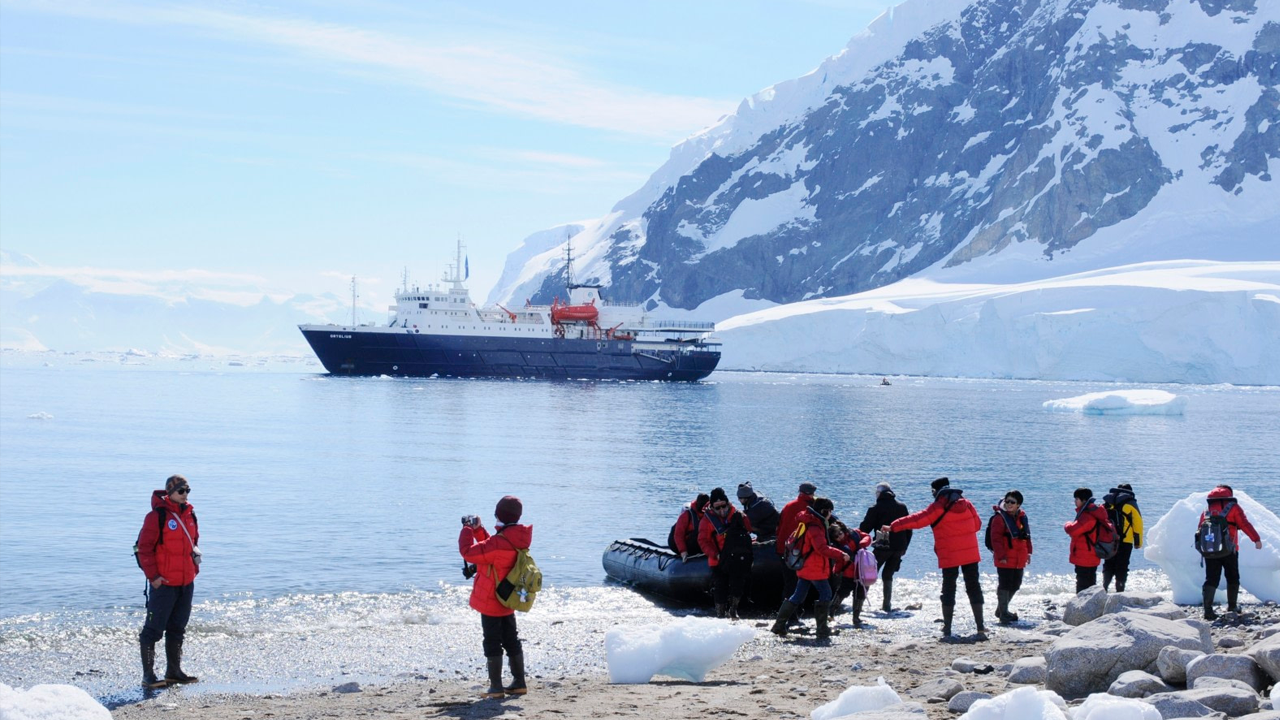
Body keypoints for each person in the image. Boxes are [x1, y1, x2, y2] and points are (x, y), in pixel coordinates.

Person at [884, 477, 985, 641]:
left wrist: (894, 526)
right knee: (973, 586)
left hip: (949, 553)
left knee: (949, 588)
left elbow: (918, 520)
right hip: (970, 553)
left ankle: (947, 628)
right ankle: (980, 626)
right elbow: (977, 525)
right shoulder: (967, 504)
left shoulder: (938, 506)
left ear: (935, 491)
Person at [459, 496, 533, 698]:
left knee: (492, 642)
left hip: (492, 600)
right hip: (508, 597)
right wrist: (478, 530)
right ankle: (519, 682)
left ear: (499, 515)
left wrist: (466, 529)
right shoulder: (516, 538)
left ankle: (496, 688)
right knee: (511, 639)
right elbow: (492, 545)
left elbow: (468, 552)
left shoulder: (500, 542)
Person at [135, 474, 201, 689]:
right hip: (163, 584)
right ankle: (148, 677)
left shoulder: (190, 514)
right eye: (181, 491)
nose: (185, 495)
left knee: (177, 628)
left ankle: (174, 672)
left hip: (185, 582)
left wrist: (194, 570)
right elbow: (143, 549)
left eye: (187, 491)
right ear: (170, 492)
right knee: (153, 630)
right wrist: (153, 577)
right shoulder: (156, 517)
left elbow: (194, 544)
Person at [770, 497, 848, 639]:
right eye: (829, 511)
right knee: (826, 594)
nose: (830, 514)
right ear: (824, 511)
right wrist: (841, 554)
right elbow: (821, 548)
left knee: (798, 596)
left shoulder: (808, 521)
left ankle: (779, 625)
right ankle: (822, 629)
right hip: (814, 567)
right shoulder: (815, 527)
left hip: (805, 566)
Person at [1199, 485, 1262, 620]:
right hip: (1230, 550)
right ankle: (1232, 607)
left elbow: (1200, 530)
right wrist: (1256, 539)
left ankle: (1208, 611)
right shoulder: (1233, 507)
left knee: (1211, 578)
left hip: (1210, 551)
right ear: (1229, 494)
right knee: (1232, 577)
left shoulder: (1207, 509)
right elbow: (1245, 524)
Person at [699, 487, 755, 619]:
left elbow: (748, 529)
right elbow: (703, 541)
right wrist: (714, 554)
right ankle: (720, 614)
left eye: (723, 506)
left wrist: (743, 518)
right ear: (712, 507)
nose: (721, 510)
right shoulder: (706, 521)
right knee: (720, 587)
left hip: (736, 557)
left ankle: (733, 610)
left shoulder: (738, 514)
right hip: (718, 558)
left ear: (727, 503)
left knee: (738, 585)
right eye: (717, 507)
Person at [859, 482, 912, 613]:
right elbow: (909, 529)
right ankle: (887, 606)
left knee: (869, 575)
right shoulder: (902, 507)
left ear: (879, 494)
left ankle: (858, 606)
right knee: (888, 575)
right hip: (899, 547)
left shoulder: (875, 508)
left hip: (882, 547)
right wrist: (905, 546)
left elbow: (865, 528)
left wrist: (857, 540)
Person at [987, 491, 1032, 624]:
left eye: (1012, 502)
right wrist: (1001, 556)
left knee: (1016, 584)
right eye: (1007, 501)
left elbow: (1027, 537)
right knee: (1005, 584)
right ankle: (1004, 613)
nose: (1009, 504)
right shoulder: (999, 518)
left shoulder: (1022, 517)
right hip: (1005, 558)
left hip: (1019, 557)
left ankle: (1001, 610)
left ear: (1018, 504)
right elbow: (995, 539)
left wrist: (1028, 553)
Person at [776, 482, 818, 604]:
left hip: (783, 548)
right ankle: (792, 614)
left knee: (789, 582)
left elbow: (778, 527)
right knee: (799, 582)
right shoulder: (810, 509)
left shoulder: (788, 506)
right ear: (811, 494)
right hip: (799, 550)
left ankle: (787, 612)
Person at [1064, 488, 1110, 593]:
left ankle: (1081, 606)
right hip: (1092, 553)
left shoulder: (1087, 515)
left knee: (1082, 584)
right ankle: (1092, 605)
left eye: (1076, 499)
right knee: (1090, 583)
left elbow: (1072, 530)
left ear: (1084, 500)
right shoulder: (1093, 513)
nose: (1075, 501)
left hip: (1085, 555)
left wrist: (1067, 524)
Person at [829, 521, 873, 627]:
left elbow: (867, 537)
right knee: (842, 593)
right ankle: (831, 613)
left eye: (840, 533)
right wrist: (836, 570)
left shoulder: (855, 534)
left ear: (843, 531)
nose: (839, 537)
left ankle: (856, 617)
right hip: (848, 574)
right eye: (836, 536)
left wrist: (863, 543)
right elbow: (839, 561)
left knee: (860, 594)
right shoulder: (838, 547)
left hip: (862, 572)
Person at [1101, 484, 1142, 592]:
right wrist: (1138, 542)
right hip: (1125, 540)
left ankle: (1104, 586)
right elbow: (1138, 523)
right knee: (1122, 565)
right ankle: (1120, 589)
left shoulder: (1108, 503)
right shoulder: (1131, 503)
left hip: (1109, 540)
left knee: (1109, 563)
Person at [668, 493, 710, 561]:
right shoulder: (686, 515)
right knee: (696, 534)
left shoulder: (711, 515)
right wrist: (683, 552)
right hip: (678, 541)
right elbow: (678, 535)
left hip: (698, 543)